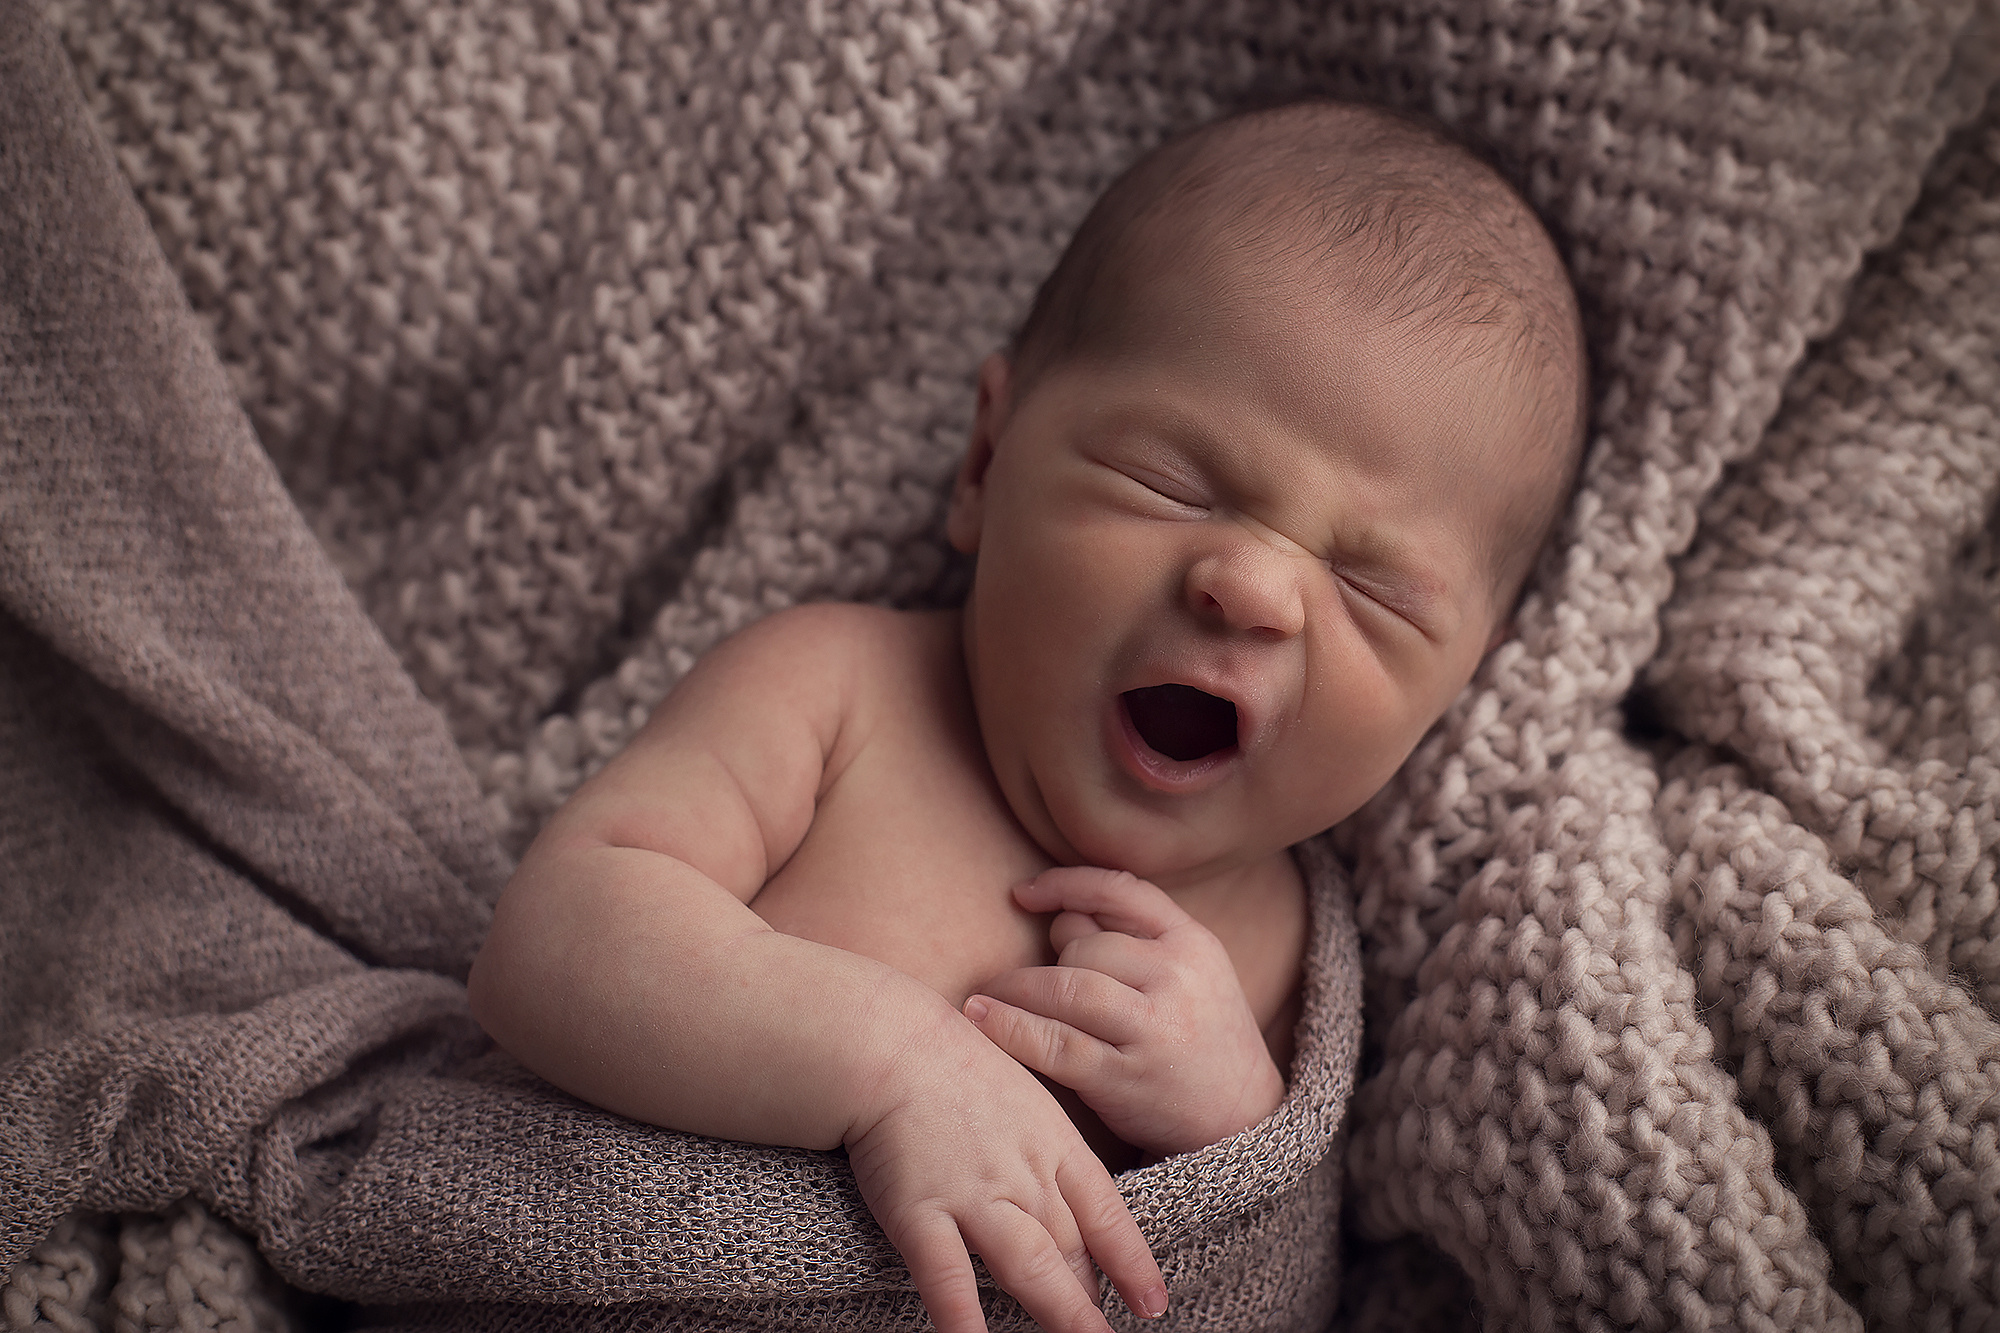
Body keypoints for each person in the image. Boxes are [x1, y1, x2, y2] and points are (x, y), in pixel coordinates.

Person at [466, 98, 1587, 1333]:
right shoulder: (837, 694)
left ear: (1457, 686)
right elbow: (547, 941)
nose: (1256, 588)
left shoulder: (1271, 954)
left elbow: (1257, 1294)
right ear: (985, 462)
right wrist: (884, 1063)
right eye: (1170, 483)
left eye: (1371, 591)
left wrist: (1235, 1134)